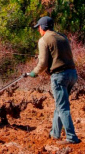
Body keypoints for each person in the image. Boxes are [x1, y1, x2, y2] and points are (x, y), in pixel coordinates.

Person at [28, 16, 80, 145]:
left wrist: (34, 72)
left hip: (60, 76)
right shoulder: (62, 36)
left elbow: (43, 62)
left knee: (62, 107)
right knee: (60, 105)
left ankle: (71, 137)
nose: (38, 30)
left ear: (42, 27)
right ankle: (55, 133)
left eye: (38, 27)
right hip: (72, 74)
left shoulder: (44, 40)